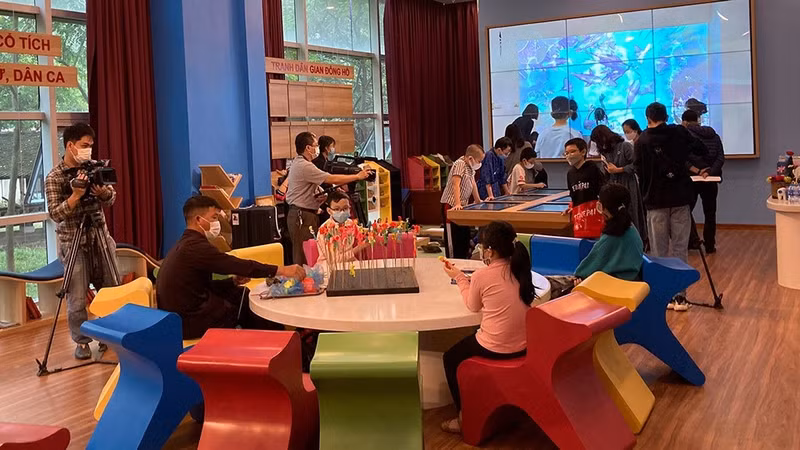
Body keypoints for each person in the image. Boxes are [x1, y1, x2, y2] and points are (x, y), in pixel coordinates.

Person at [157, 196, 306, 339]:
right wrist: (281, 270)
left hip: (184, 313)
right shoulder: (195, 247)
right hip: (189, 321)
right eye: (214, 218)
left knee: (240, 294)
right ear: (198, 220)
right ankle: (278, 343)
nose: (217, 223)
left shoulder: (185, 243)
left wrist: (232, 282)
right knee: (247, 309)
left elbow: (199, 285)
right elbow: (235, 264)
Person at [440, 221, 533, 433]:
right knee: (477, 334)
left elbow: (472, 306)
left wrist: (460, 278)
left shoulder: (483, 275)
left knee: (450, 358)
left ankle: (464, 416)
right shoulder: (520, 268)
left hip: (497, 347)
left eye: (482, 246)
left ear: (490, 250)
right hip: (524, 345)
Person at [45, 123, 117, 360]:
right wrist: (75, 196)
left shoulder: (93, 168)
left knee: (110, 290)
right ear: (70, 145)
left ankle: (110, 336)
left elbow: (111, 197)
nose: (89, 150)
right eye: (85, 146)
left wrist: (101, 193)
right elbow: (55, 214)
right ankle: (82, 342)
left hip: (100, 237)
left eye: (91, 146)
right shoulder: (55, 177)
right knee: (76, 297)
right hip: (73, 241)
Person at [635, 102, 706, 311]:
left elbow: (638, 170)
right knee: (680, 249)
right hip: (681, 198)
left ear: (648, 118)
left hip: (655, 202)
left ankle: (662, 295)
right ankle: (680, 297)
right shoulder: (679, 132)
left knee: (658, 251)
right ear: (666, 116)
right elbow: (700, 148)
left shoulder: (641, 141)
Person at [285, 132, 371, 265]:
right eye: (315, 145)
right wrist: (357, 176)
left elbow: (312, 187)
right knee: (303, 257)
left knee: (305, 255)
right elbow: (330, 178)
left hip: (306, 214)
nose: (317, 148)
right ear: (308, 148)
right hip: (301, 216)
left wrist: (324, 194)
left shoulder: (303, 163)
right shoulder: (304, 165)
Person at [546, 184, 645, 298]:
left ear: (606, 208)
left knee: (549, 286)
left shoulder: (612, 236)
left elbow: (587, 269)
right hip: (623, 280)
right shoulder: (629, 228)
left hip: (612, 285)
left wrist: (581, 278)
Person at [590, 125, 646, 242]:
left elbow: (637, 165)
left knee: (631, 212)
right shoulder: (605, 153)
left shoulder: (624, 146)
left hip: (627, 184)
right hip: (613, 187)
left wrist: (619, 169)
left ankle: (638, 240)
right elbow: (605, 173)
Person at [682, 109, 724, 254]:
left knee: (685, 211)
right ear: (698, 120)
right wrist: (709, 172)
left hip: (691, 179)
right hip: (711, 180)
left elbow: (683, 159)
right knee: (710, 213)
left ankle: (692, 241)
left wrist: (698, 171)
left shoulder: (685, 136)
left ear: (685, 122)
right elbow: (720, 157)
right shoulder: (715, 135)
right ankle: (710, 245)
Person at [441, 144, 485, 259]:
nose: (480, 163)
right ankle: (452, 261)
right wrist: (457, 203)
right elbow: (456, 184)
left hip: (463, 206)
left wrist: (478, 200)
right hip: (450, 205)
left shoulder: (470, 168)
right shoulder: (460, 164)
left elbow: (473, 183)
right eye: (479, 161)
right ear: (470, 158)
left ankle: (463, 260)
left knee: (464, 238)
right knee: (454, 240)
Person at [565, 137, 606, 208]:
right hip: (579, 211)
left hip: (594, 209)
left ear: (583, 152)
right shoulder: (570, 173)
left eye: (572, 152)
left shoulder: (592, 168)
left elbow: (602, 189)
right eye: (566, 153)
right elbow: (573, 195)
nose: (569, 155)